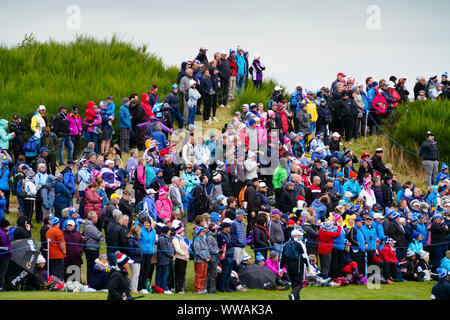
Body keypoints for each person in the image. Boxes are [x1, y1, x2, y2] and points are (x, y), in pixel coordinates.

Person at [280, 229, 309, 300]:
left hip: (289, 267)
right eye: (299, 235)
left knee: (293, 284)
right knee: (299, 284)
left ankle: (295, 297)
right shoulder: (300, 243)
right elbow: (304, 256)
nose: (300, 237)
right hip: (298, 266)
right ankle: (292, 294)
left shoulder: (285, 244)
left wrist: (280, 268)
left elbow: (282, 257)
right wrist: (308, 265)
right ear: (296, 235)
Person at [84, 211, 103, 285]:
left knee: (94, 266)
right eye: (96, 217)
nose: (97, 218)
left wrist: (99, 233)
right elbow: (98, 236)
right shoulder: (89, 226)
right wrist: (100, 233)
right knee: (91, 267)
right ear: (93, 218)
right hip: (91, 249)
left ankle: (93, 282)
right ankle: (91, 282)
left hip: (94, 248)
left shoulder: (93, 225)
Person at [155, 225, 174, 294]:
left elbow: (170, 248)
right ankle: (162, 288)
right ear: (166, 231)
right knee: (162, 274)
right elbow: (164, 250)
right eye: (169, 231)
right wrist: (171, 256)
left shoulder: (166, 238)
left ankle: (163, 288)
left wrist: (171, 255)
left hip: (167, 260)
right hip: (162, 260)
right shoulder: (162, 239)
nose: (170, 232)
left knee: (165, 274)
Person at [193, 226, 210, 294]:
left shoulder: (203, 239)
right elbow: (197, 251)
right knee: (199, 275)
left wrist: (208, 257)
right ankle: (197, 289)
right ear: (199, 232)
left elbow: (207, 249)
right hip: (199, 260)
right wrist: (204, 258)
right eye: (202, 231)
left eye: (204, 231)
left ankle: (202, 288)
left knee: (204, 275)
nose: (204, 233)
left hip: (205, 260)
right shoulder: (196, 240)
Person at [127, 225, 143, 293]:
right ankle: (132, 288)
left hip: (138, 259)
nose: (140, 232)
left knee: (137, 275)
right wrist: (138, 252)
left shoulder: (136, 239)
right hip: (134, 259)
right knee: (135, 274)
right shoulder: (131, 240)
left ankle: (135, 288)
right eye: (139, 230)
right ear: (136, 232)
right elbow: (131, 251)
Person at [0, 218, 12, 291]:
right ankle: (1, 287)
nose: (9, 227)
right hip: (4, 256)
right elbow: (5, 246)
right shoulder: (2, 233)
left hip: (3, 255)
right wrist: (10, 251)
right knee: (2, 272)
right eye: (8, 226)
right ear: (5, 226)